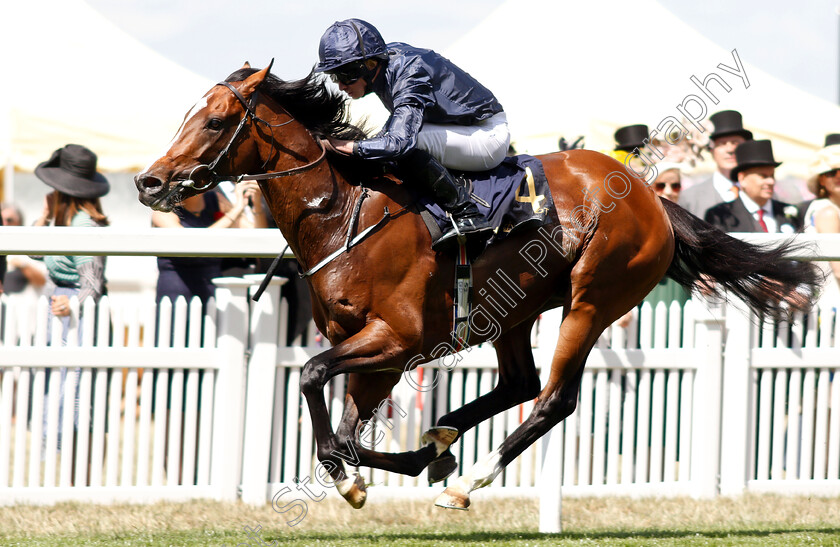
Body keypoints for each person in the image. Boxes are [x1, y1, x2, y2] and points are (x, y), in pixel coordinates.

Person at [314, 18, 509, 249]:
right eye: (334, 77)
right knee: (385, 142)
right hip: (460, 129)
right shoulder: (384, 67)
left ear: (369, 64)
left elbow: (400, 143)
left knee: (403, 145)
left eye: (343, 75)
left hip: (487, 134)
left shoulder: (409, 69)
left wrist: (349, 146)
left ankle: (466, 213)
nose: (340, 86)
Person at [33, 144, 110, 461]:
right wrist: (46, 216)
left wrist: (72, 306)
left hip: (75, 312)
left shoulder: (82, 225)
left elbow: (91, 281)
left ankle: (67, 460)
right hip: (61, 305)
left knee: (73, 390)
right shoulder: (65, 221)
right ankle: (59, 457)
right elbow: (36, 252)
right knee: (62, 386)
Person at [152, 180, 262, 309]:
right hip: (178, 287)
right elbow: (191, 244)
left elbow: (256, 235)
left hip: (213, 287)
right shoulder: (163, 210)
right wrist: (236, 210)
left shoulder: (215, 199)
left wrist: (257, 202)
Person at [704, 140, 800, 234]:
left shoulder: (788, 212)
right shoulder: (721, 215)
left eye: (772, 175)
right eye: (763, 176)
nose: (771, 181)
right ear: (742, 178)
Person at [679, 110, 753, 219]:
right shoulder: (690, 198)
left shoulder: (762, 192)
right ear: (711, 149)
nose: (730, 149)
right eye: (722, 144)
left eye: (735, 142)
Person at [802, 139, 840, 304]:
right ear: (821, 180)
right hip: (833, 302)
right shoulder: (827, 212)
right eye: (831, 172)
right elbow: (839, 270)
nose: (839, 176)